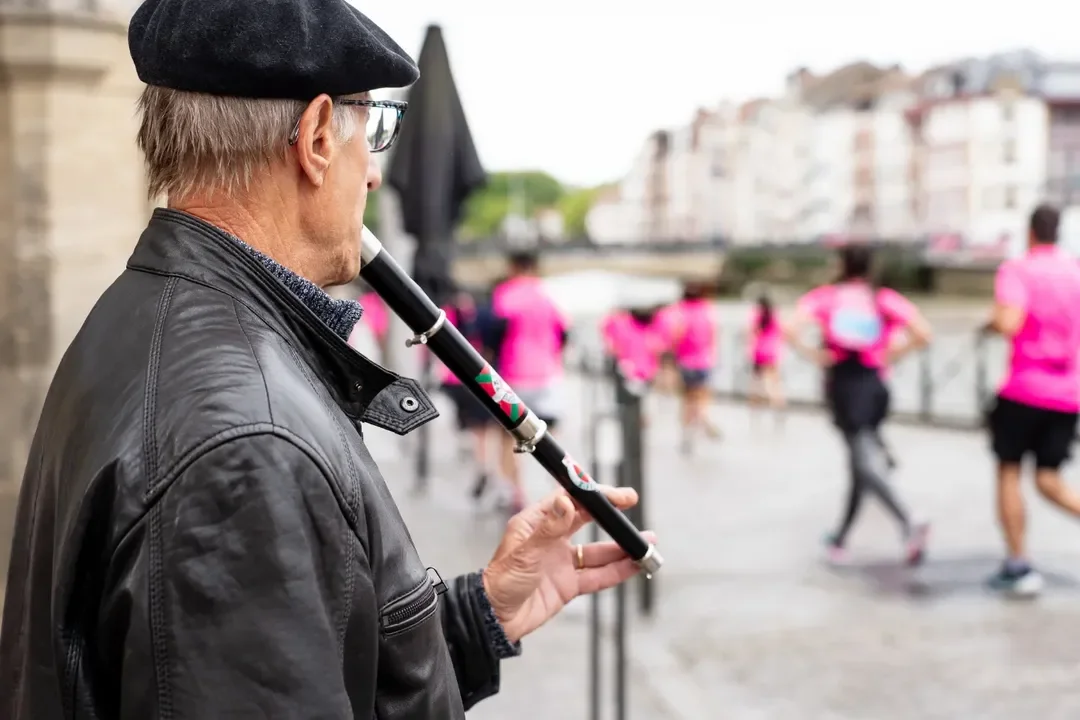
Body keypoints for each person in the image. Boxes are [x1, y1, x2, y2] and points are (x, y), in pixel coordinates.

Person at [0, 3, 651, 718]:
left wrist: (477, 618)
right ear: (314, 137)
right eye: (371, 130)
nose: (371, 177)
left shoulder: (139, 312)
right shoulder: (247, 450)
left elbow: (301, 658)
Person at [785, 244, 933, 566]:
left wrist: (814, 355)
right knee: (859, 463)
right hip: (875, 384)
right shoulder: (882, 298)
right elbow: (923, 332)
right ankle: (841, 538)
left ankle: (909, 519)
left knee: (864, 462)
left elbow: (790, 327)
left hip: (845, 384)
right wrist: (890, 355)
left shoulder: (827, 297)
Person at [983, 204, 1080, 598]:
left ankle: (1018, 565)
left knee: (1009, 472)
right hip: (1069, 392)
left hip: (1024, 388)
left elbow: (1009, 321)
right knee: (1049, 479)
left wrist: (991, 321)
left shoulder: (1017, 270)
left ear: (1030, 233)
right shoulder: (1076, 270)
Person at [490, 252, 571, 514]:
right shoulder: (549, 293)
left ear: (513, 267)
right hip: (548, 375)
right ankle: (559, 488)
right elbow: (564, 333)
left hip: (513, 376)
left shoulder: (505, 294)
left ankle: (517, 493)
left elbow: (494, 332)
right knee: (552, 435)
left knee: (509, 436)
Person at [439, 287, 496, 501]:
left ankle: (483, 467)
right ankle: (485, 468)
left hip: (460, 379)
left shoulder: (447, 314)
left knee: (477, 430)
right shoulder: (480, 315)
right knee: (483, 430)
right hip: (475, 378)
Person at [657, 281, 721, 454]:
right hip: (704, 362)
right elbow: (714, 334)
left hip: (684, 362)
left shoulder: (677, 311)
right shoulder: (707, 309)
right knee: (702, 397)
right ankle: (704, 419)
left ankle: (687, 433)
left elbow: (671, 335)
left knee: (687, 400)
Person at [747, 293, 786, 427]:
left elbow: (751, 333)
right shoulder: (775, 316)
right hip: (773, 353)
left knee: (757, 382)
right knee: (774, 382)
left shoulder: (758, 316)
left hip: (759, 352)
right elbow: (782, 332)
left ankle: (755, 408)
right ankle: (778, 404)